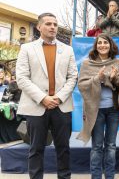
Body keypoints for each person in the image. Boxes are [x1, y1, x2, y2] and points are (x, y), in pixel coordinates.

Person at [16, 12, 78, 179]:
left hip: (61, 106)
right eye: (48, 24)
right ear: (39, 27)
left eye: (55, 24)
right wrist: (43, 98)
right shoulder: (26, 49)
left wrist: (58, 98)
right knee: (36, 149)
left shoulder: (68, 50)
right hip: (36, 106)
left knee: (63, 149)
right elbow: (21, 78)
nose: (52, 27)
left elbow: (73, 77)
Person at [77, 34, 119, 179]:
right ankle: (96, 177)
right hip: (95, 111)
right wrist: (97, 79)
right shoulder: (88, 64)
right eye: (99, 43)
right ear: (95, 46)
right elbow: (81, 85)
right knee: (96, 147)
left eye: (105, 42)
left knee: (111, 146)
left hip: (114, 110)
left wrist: (114, 79)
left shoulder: (118, 63)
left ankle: (110, 177)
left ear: (110, 45)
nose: (102, 45)